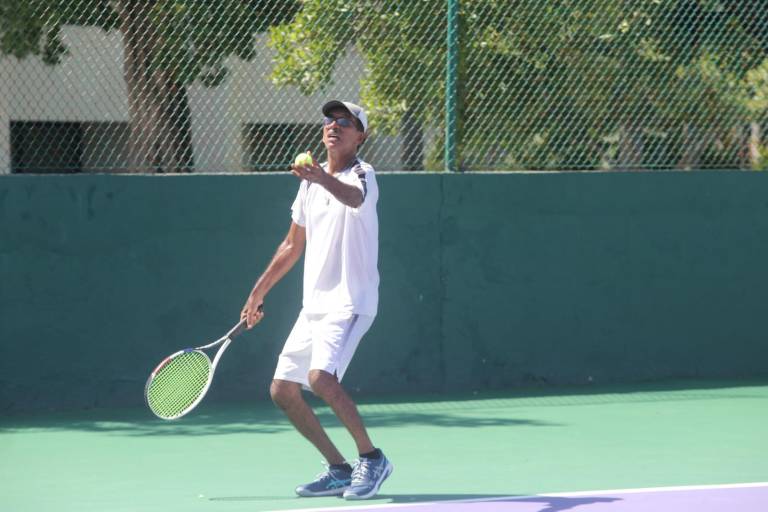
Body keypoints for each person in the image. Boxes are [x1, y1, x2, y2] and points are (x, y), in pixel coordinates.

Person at [240, 100, 392, 500]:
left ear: (360, 135)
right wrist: (258, 292)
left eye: (345, 122)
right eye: (329, 120)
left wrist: (321, 178)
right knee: (282, 390)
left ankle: (372, 458)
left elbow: (354, 200)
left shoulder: (364, 175)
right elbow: (292, 244)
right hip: (315, 307)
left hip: (351, 302)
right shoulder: (309, 184)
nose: (334, 126)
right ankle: (339, 468)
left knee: (320, 378)